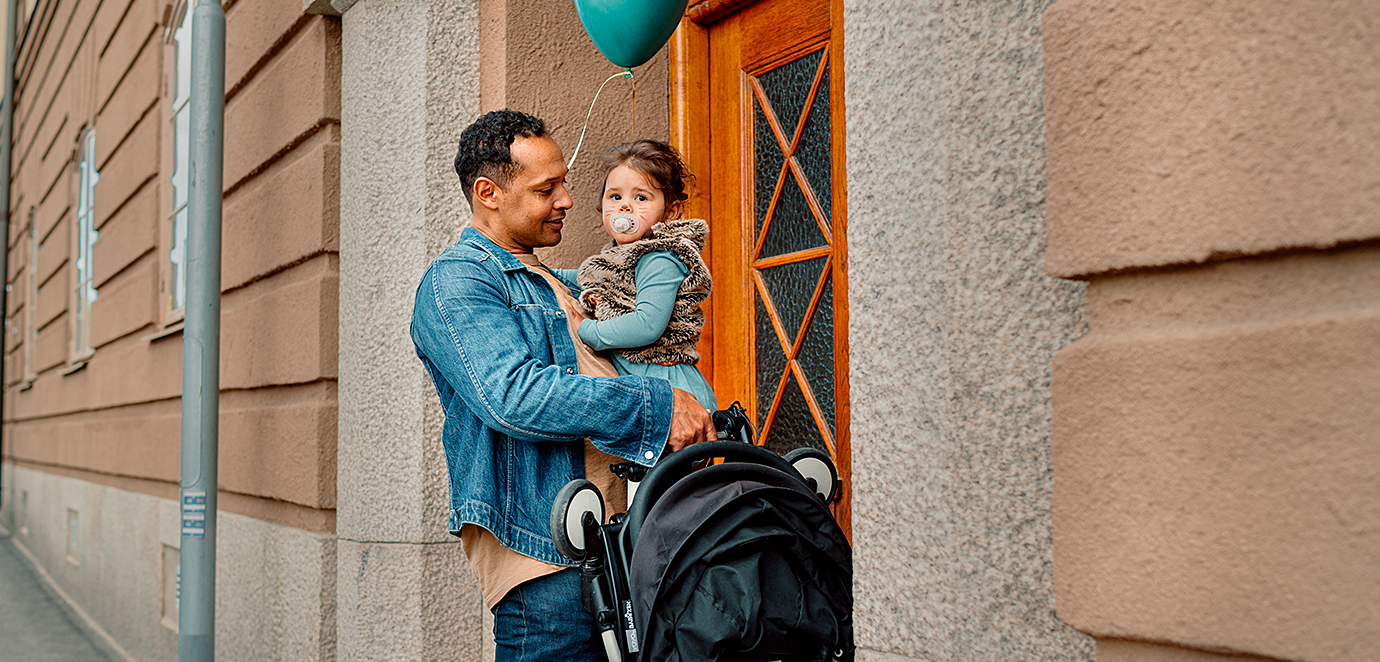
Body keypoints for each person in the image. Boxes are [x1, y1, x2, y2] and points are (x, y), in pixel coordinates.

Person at [410, 110, 716, 662]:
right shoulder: (457, 281)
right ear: (489, 193)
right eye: (546, 187)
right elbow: (514, 395)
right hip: (551, 566)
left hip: (627, 546)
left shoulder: (556, 278)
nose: (568, 200)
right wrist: (656, 406)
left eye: (566, 182)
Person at [558, 140, 716, 412]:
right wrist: (547, 273)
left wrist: (589, 331)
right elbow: (590, 276)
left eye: (640, 197)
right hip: (644, 386)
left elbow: (647, 324)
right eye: (615, 196)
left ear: (670, 213)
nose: (625, 207)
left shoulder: (660, 258)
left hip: (670, 387)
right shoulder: (620, 255)